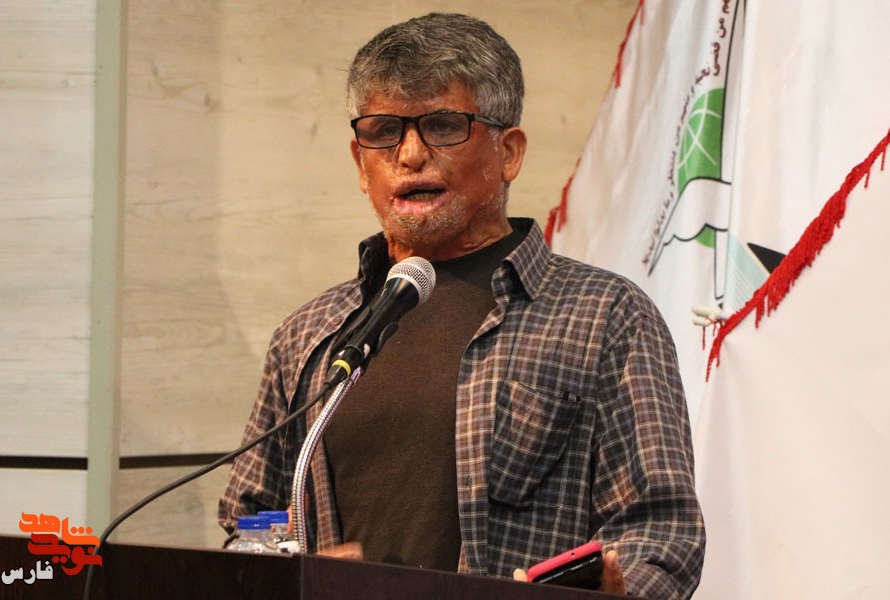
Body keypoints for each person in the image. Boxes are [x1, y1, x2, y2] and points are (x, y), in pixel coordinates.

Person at [219, 12, 704, 599]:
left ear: (509, 153)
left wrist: (616, 590)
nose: (410, 154)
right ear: (359, 164)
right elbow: (248, 524)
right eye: (384, 131)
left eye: (443, 126)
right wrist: (296, 573)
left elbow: (662, 533)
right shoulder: (310, 334)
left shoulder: (605, 316)